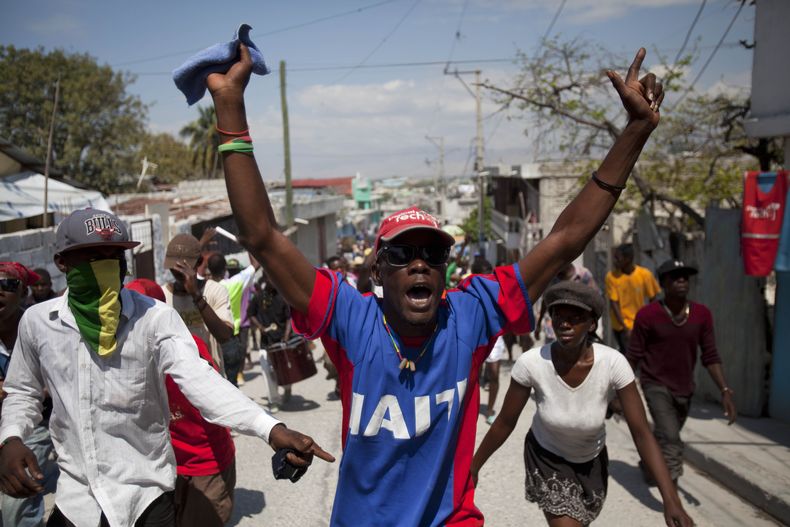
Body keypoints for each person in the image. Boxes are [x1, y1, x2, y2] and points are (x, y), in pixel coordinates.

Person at [207, 42, 663, 525]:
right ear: (378, 272)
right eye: (402, 254)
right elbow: (262, 236)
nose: (419, 264)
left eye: (433, 253)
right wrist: (230, 104)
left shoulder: (471, 314)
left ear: (447, 267)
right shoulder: (351, 317)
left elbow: (565, 238)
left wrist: (635, 132)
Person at [0, 208, 333, 527]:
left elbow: (202, 380)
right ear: (62, 262)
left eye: (114, 257)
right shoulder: (40, 323)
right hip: (78, 499)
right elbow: (23, 391)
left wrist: (269, 428)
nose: (106, 266)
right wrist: (11, 438)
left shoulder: (155, 319)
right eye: (92, 257)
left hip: (146, 497)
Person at [471, 281, 692, 527]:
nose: (565, 324)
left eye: (575, 317)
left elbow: (641, 433)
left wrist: (671, 500)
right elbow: (505, 422)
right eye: (558, 316)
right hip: (547, 458)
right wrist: (474, 466)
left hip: (592, 462)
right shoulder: (531, 363)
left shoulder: (613, 363)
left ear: (591, 324)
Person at [126, 278, 238, 527]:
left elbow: (220, 398)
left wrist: (269, 428)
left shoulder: (188, 348)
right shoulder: (122, 355)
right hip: (164, 465)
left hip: (205, 461)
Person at [627, 259, 737, 484]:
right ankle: (672, 496)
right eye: (675, 277)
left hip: (685, 389)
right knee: (671, 438)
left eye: (685, 277)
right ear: (663, 283)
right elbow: (634, 356)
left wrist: (724, 390)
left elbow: (710, 355)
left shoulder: (701, 315)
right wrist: (620, 394)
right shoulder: (647, 315)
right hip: (654, 384)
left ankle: (649, 464)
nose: (681, 281)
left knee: (665, 436)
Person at [0, 262, 59, 527]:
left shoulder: (42, 330)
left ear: (24, 293)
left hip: (36, 423)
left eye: (8, 285)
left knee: (15, 501)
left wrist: (38, 388)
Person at [162, 233, 234, 375]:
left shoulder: (215, 290)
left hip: (212, 376)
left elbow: (224, 336)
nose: (177, 271)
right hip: (177, 379)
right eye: (173, 267)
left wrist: (196, 295)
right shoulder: (162, 295)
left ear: (199, 263)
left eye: (183, 267)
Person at [207, 253, 258, 386]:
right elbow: (255, 265)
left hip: (209, 338)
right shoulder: (234, 283)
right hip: (230, 335)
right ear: (225, 269)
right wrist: (247, 246)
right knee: (231, 383)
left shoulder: (204, 288)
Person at [248, 274, 293, 413]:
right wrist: (260, 327)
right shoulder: (259, 297)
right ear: (266, 280)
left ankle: (287, 388)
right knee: (267, 371)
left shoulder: (283, 297)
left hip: (281, 341)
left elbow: (289, 318)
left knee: (284, 369)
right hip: (265, 343)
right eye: (271, 279)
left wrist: (286, 335)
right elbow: (251, 313)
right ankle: (273, 400)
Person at [605, 243, 660, 353]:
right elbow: (614, 304)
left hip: (640, 324)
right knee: (628, 356)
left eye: (618, 258)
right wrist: (626, 329)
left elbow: (653, 299)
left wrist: (649, 321)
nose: (615, 261)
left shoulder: (645, 274)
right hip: (621, 327)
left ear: (628, 258)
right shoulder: (612, 277)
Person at [535, 261, 600, 344]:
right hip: (552, 330)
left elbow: (595, 300)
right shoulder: (550, 277)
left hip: (577, 329)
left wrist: (591, 326)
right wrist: (539, 323)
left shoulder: (584, 275)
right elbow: (546, 300)